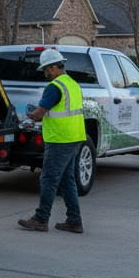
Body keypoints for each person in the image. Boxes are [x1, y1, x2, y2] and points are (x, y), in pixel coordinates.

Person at [17, 49, 85, 234]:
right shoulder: (72, 84)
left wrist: (29, 114)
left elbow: (39, 113)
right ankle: (74, 221)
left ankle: (41, 219)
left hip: (59, 139)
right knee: (67, 179)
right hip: (74, 137)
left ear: (54, 67)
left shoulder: (54, 87)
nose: (45, 73)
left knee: (48, 178)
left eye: (46, 69)